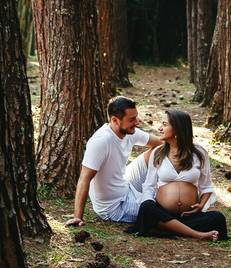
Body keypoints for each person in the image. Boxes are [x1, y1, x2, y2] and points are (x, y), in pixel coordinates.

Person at [130, 109, 228, 241]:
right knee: (147, 207)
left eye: (164, 124)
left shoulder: (199, 153)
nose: (159, 128)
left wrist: (200, 206)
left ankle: (168, 228)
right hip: (162, 212)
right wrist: (148, 204)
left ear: (177, 128)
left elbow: (206, 186)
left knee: (218, 218)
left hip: (188, 215)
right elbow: (149, 186)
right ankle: (197, 234)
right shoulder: (158, 153)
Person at [65, 96, 162, 227]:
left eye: (136, 117)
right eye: (132, 119)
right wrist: (78, 217)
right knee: (163, 206)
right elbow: (84, 178)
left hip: (125, 183)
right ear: (115, 120)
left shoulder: (129, 131)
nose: (137, 122)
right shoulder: (101, 142)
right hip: (115, 206)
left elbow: (161, 143)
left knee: (158, 151)